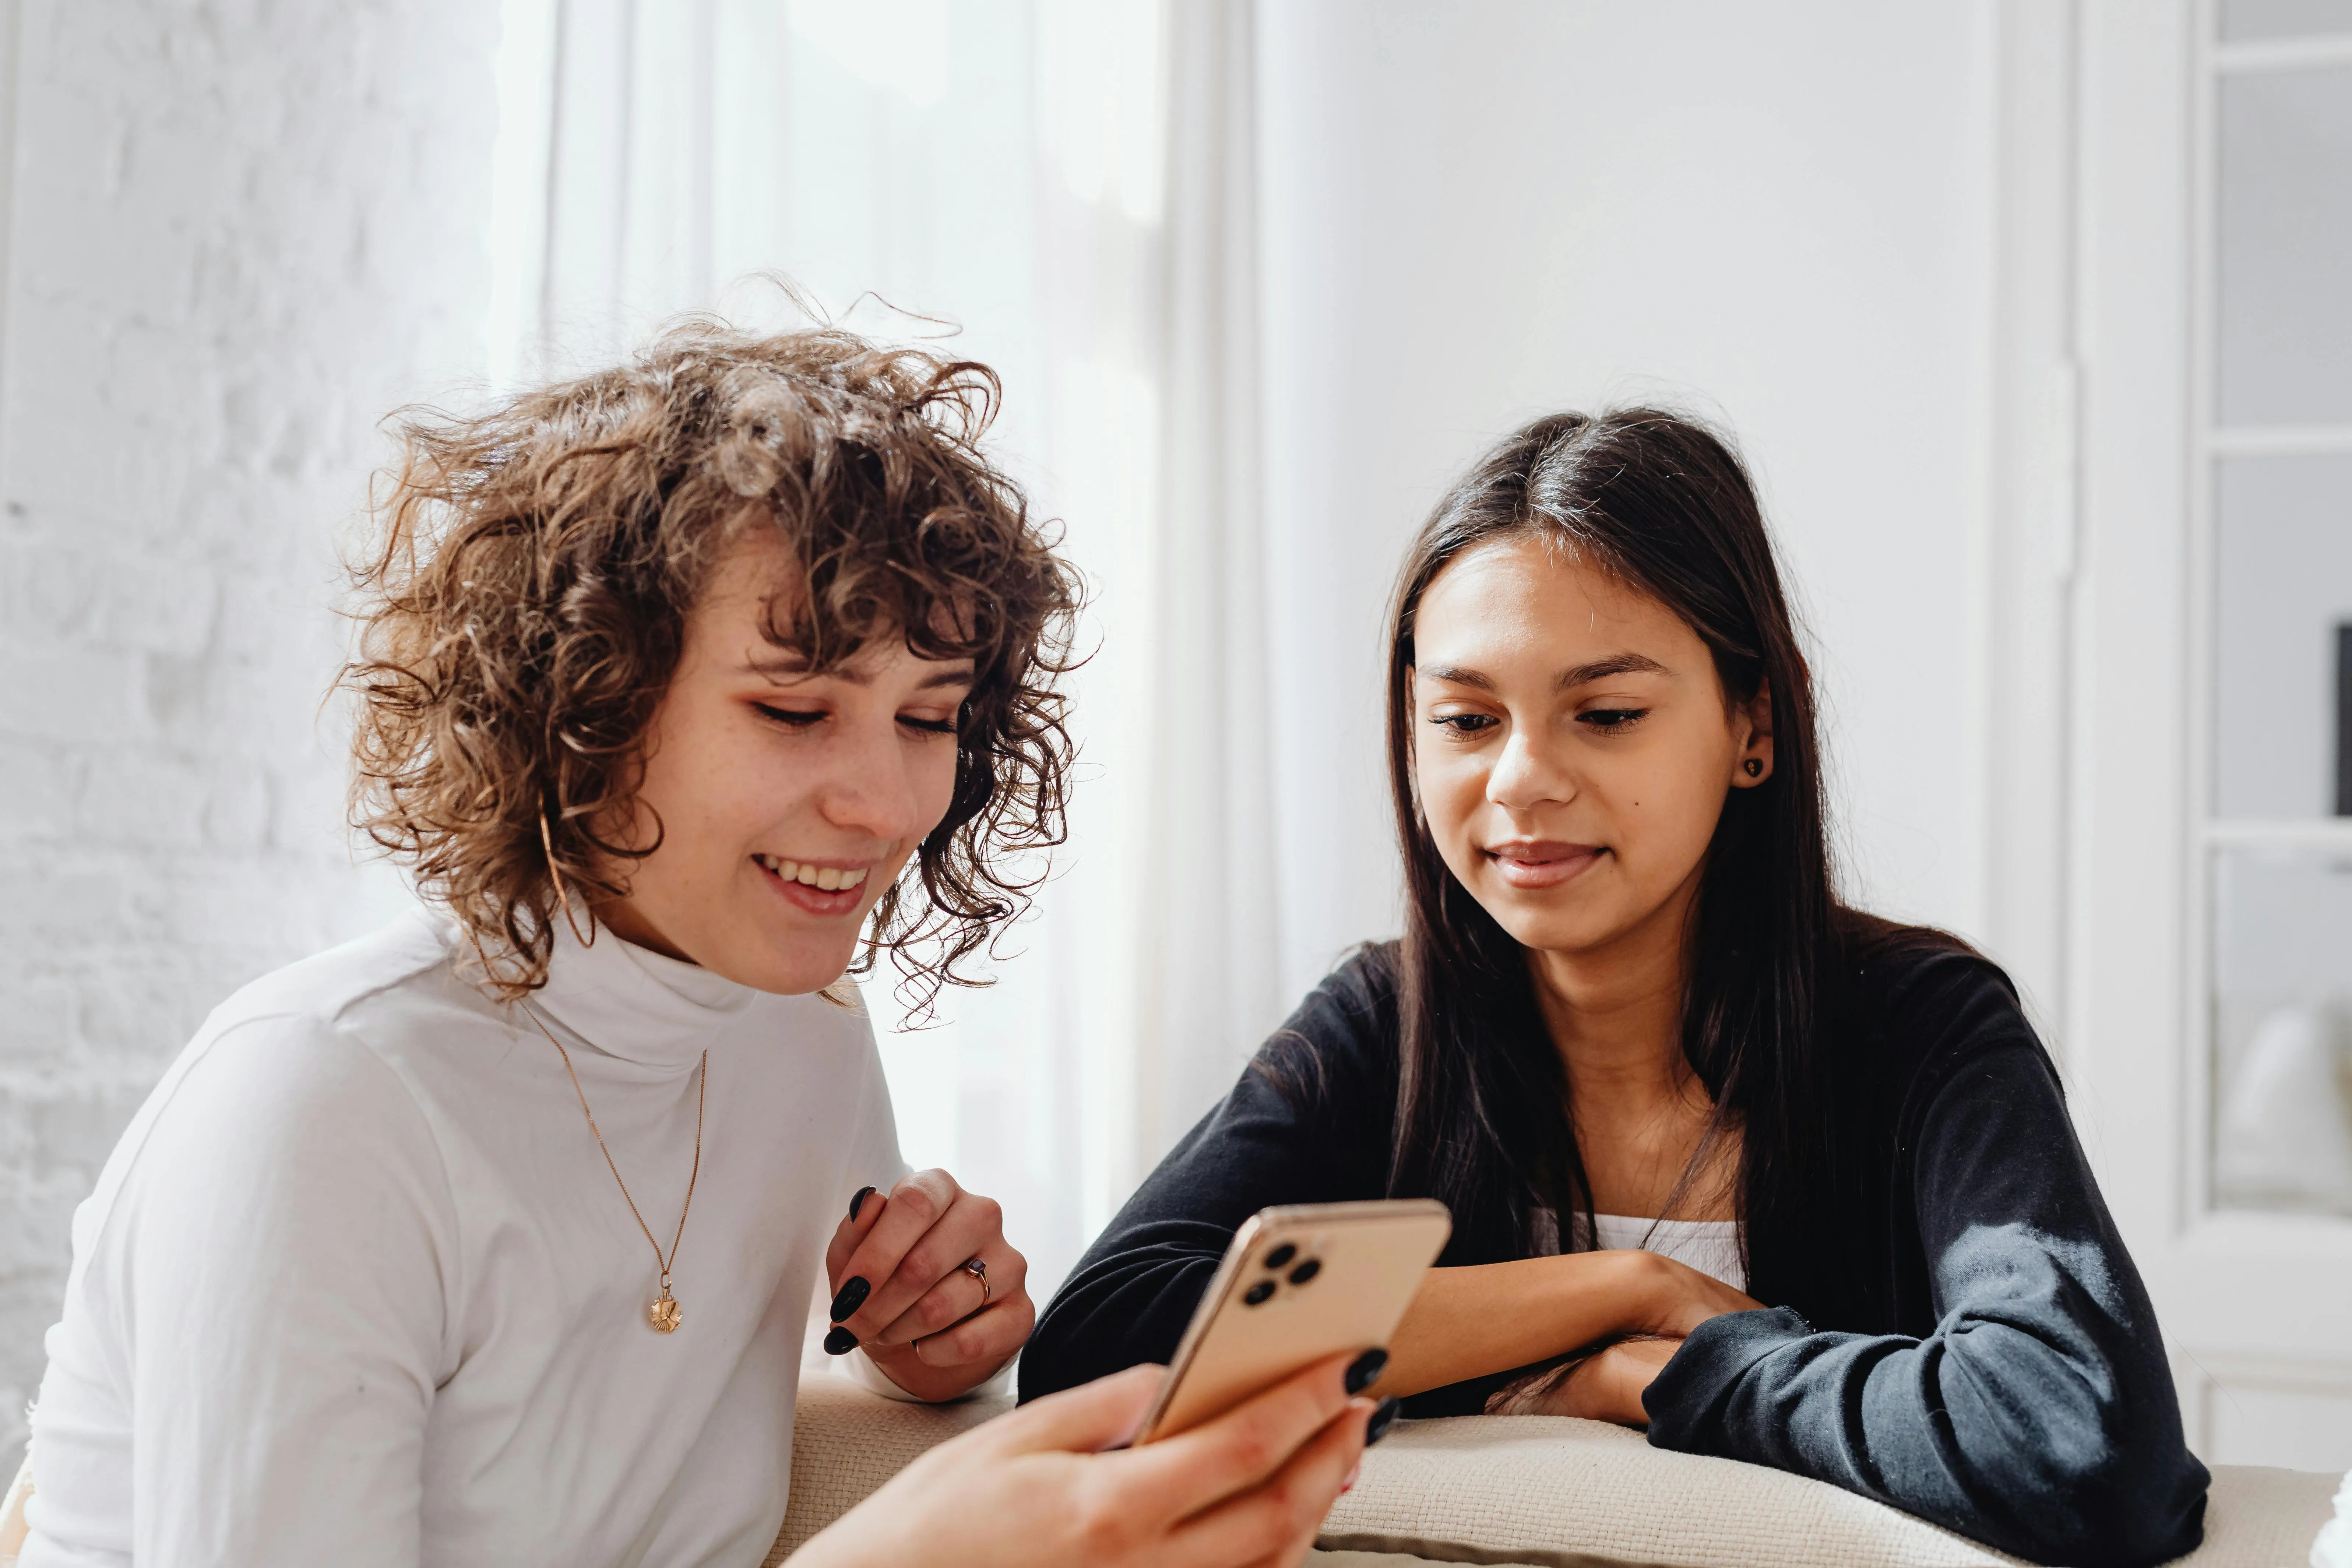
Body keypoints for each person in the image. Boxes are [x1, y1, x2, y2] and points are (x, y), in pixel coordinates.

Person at [18, 322, 1386, 1567]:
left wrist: (925, 1338)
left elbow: (798, 1352)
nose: (890, 802)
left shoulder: (799, 1032)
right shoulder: (322, 1100)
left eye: (927, 719)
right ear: (582, 701)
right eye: (795, 711)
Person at [1020, 410, 2212, 1568]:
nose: (1523, 779)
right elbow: (1098, 1353)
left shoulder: (1916, 1025)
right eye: (1465, 718)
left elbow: (2081, 1449)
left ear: (1755, 723)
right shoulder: (1384, 1023)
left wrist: (1685, 1370)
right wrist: (1617, 1291)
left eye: (1606, 714)